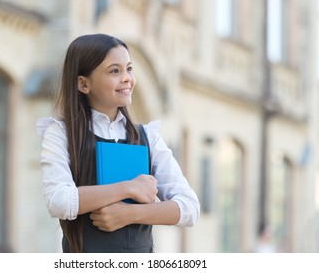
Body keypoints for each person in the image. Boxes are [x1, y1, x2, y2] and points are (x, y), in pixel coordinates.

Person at [36, 33, 200, 253]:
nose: (127, 78)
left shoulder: (148, 137)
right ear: (83, 84)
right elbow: (59, 201)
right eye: (115, 71)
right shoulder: (61, 133)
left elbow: (189, 208)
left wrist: (129, 214)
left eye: (129, 69)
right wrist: (130, 187)